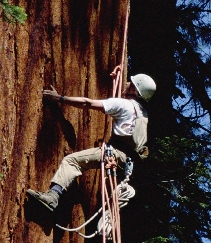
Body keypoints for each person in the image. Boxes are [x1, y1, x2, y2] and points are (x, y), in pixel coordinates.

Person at [27, 69, 156, 212]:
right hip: (127, 164)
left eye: (129, 83)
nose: (126, 83)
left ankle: (52, 197)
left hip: (115, 154)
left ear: (134, 90)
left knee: (71, 161)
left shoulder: (124, 105)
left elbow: (87, 103)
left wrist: (60, 98)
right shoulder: (143, 114)